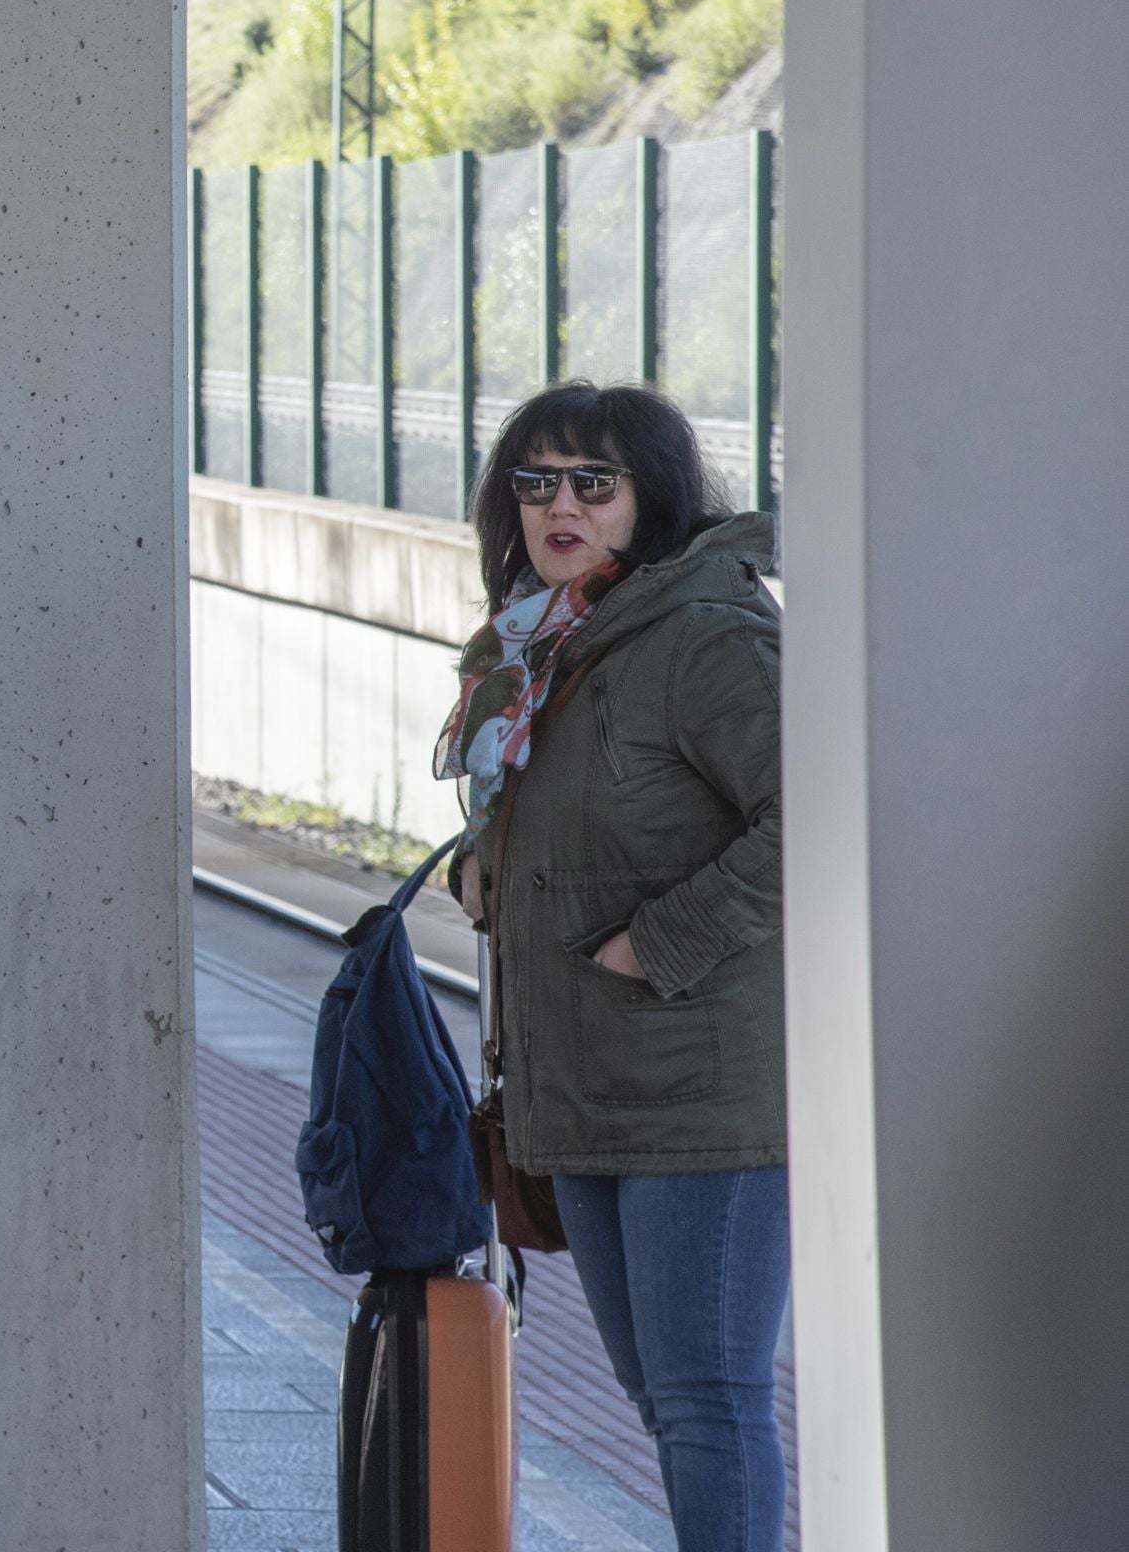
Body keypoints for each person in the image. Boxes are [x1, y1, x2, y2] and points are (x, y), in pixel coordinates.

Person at [442, 381, 784, 1552]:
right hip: (579, 1084)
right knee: (661, 1399)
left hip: (704, 1093)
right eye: (534, 481)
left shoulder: (706, 635)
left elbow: (819, 817)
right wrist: (473, 872)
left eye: (593, 481)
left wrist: (658, 940)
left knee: (707, 1400)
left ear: (654, 499)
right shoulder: (532, 641)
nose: (560, 505)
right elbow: (533, 826)